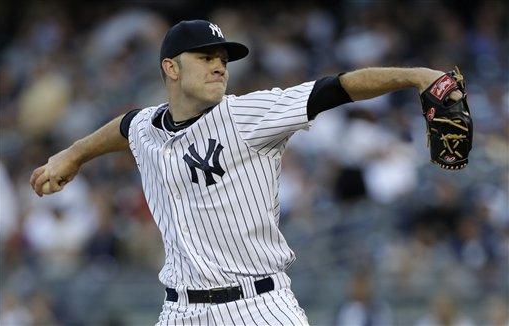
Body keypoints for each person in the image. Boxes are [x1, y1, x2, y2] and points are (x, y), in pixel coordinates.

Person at [30, 19, 462, 325]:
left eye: (223, 58)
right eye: (205, 57)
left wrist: (415, 76)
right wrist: (73, 154)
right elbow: (124, 127)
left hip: (259, 307)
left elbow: (337, 87)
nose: (219, 65)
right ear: (171, 68)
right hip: (179, 312)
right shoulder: (147, 127)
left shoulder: (247, 115)